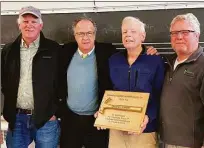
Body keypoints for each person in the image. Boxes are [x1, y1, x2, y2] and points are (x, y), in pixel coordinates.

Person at [58, 16, 158, 148]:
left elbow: (133, 50)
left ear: (95, 34)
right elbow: (55, 80)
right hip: (70, 119)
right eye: (80, 33)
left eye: (89, 33)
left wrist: (147, 50)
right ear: (74, 35)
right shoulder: (65, 51)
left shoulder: (108, 52)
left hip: (98, 120)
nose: (85, 37)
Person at [159, 13, 204, 148]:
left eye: (185, 32)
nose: (178, 37)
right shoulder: (166, 63)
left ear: (197, 35)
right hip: (164, 140)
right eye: (174, 33)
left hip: (192, 144)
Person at [101, 16, 165, 148]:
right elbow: (108, 90)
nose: (128, 35)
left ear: (143, 36)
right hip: (117, 129)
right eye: (124, 32)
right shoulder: (113, 60)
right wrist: (102, 111)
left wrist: (148, 117)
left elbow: (160, 94)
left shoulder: (155, 61)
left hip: (145, 130)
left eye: (133, 31)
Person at [1, 6, 60, 148]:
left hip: (46, 119)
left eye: (34, 21)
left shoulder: (54, 49)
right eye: (25, 21)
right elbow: (4, 83)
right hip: (17, 119)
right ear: (19, 24)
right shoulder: (8, 50)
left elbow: (61, 82)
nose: (29, 25)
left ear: (41, 25)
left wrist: (55, 112)